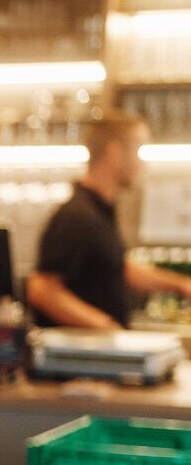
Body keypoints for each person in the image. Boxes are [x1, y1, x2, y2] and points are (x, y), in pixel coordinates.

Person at [26, 110, 191, 328]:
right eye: (138, 151)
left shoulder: (99, 211)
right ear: (115, 153)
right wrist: (105, 327)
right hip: (80, 357)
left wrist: (180, 284)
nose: (142, 164)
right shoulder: (76, 216)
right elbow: (42, 289)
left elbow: (117, 269)